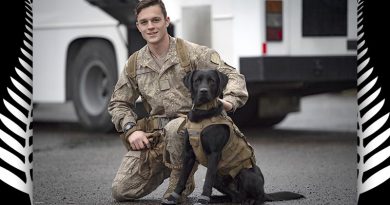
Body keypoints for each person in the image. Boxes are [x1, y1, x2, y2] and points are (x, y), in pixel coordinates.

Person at [108, 0, 248, 202]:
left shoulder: (191, 53)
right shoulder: (135, 63)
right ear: (138, 26)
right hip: (156, 138)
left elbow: (232, 75)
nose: (151, 27)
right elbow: (118, 103)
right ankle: (167, 165)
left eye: (156, 20)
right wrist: (131, 129)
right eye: (144, 22)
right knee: (121, 191)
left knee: (175, 129)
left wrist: (230, 101)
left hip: (193, 130)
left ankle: (181, 183)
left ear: (166, 21)